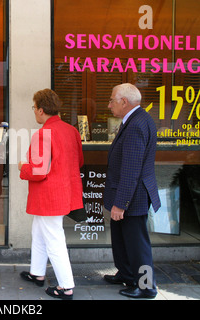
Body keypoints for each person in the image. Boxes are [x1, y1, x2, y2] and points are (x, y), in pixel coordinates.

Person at [18, 89, 84, 300]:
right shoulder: (71, 131)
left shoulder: (44, 134)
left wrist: (22, 166)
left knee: (54, 239)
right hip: (64, 191)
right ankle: (37, 273)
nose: (34, 112)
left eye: (33, 108)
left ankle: (66, 286)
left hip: (48, 196)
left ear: (41, 109)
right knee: (39, 231)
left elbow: (37, 171)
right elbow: (79, 161)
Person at [103, 83, 161, 299]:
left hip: (132, 198)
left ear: (124, 102)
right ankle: (127, 274)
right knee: (121, 239)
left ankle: (146, 287)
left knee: (138, 245)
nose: (109, 105)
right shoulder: (135, 120)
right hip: (128, 195)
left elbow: (131, 170)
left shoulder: (136, 125)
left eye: (111, 100)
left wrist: (121, 204)